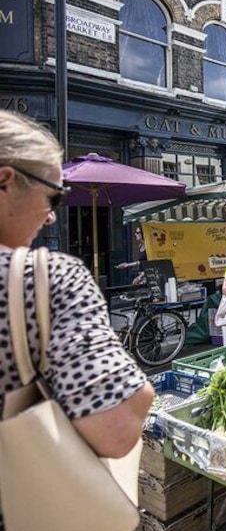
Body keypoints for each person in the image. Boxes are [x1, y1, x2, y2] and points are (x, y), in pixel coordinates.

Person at [0, 111, 154, 463]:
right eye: (53, 197)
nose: (52, 215)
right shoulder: (45, 277)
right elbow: (117, 426)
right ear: (6, 182)